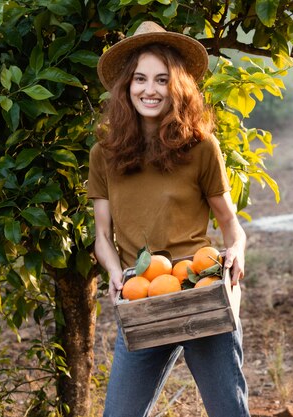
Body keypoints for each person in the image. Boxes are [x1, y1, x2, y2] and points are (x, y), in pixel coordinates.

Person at [87, 20, 250, 417]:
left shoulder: (200, 147)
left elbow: (229, 221)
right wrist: (112, 271)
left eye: (162, 80)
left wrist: (237, 251)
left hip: (199, 290)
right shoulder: (104, 153)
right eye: (140, 79)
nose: (150, 89)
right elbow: (102, 236)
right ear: (127, 86)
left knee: (228, 410)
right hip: (142, 295)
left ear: (176, 86)